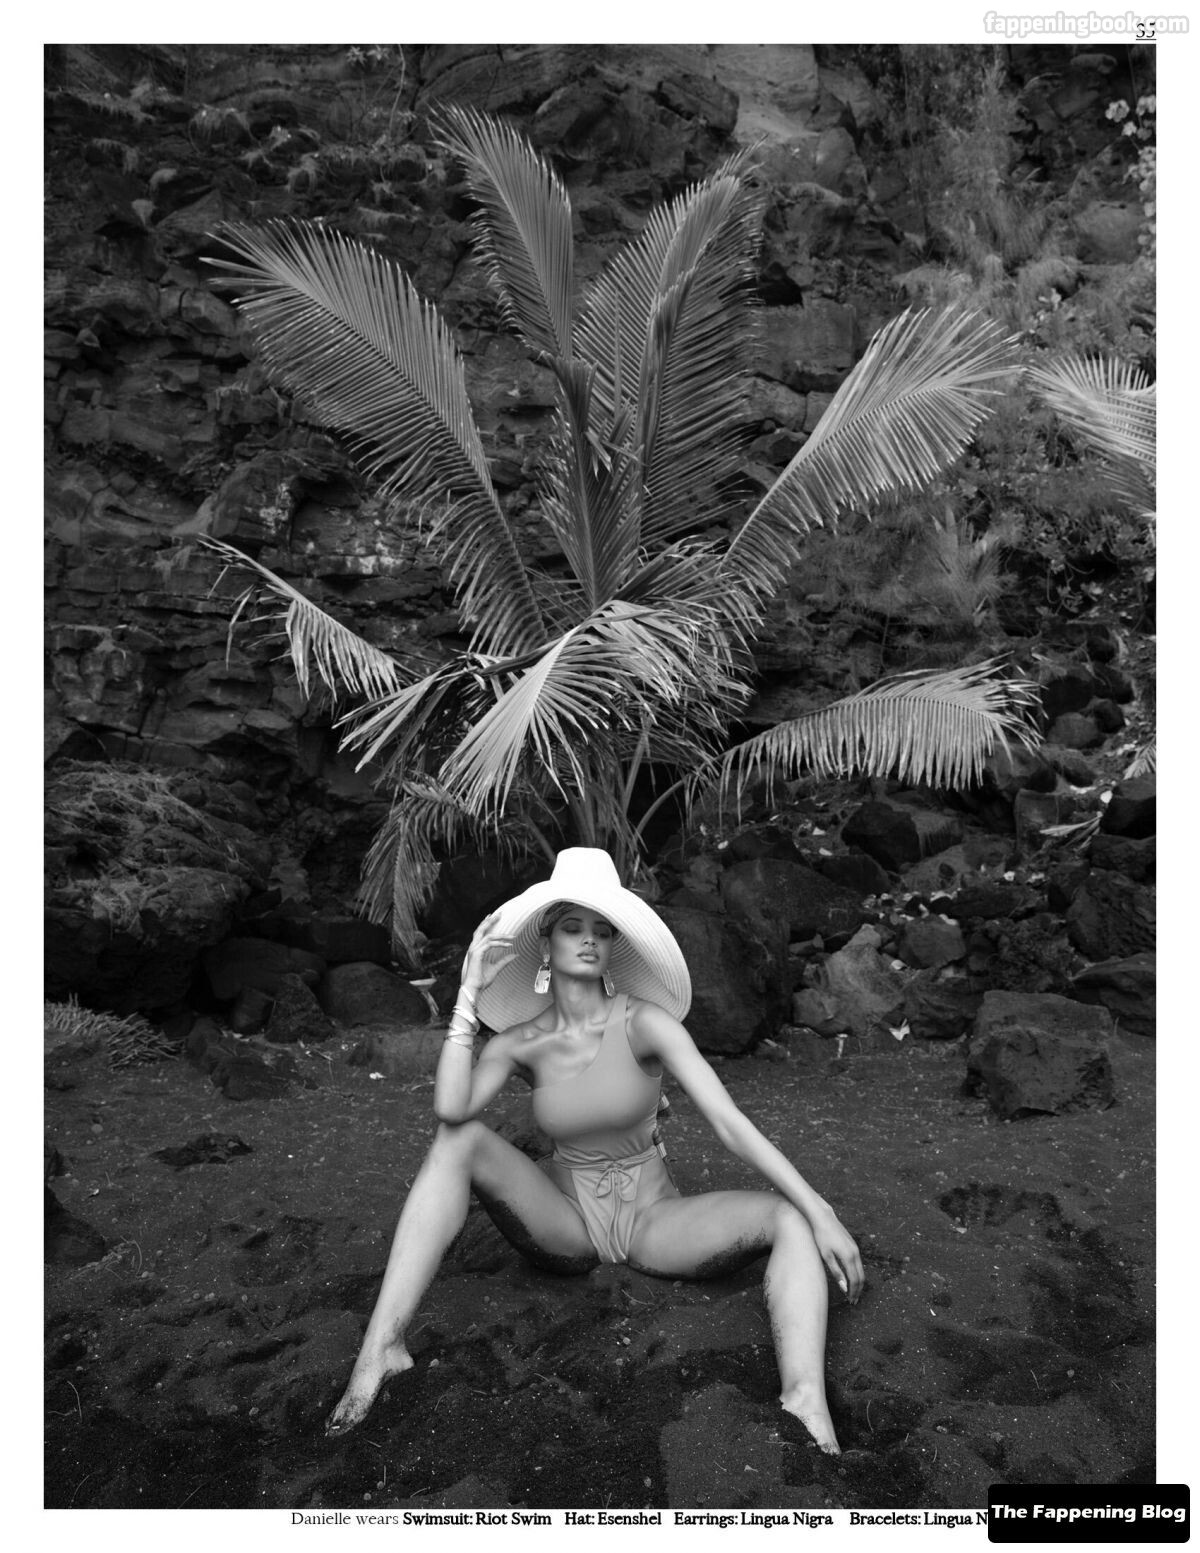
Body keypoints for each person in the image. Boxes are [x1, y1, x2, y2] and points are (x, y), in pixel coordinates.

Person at [325, 847, 864, 1453]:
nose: (588, 940)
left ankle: (805, 1402)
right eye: (572, 927)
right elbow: (452, 1110)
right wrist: (467, 998)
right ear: (545, 943)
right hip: (568, 1221)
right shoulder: (519, 1043)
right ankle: (381, 1350)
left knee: (789, 1218)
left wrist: (820, 1209)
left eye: (602, 931)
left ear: (613, 947)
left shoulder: (646, 1023)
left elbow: (729, 1123)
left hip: (652, 1218)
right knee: (459, 1139)